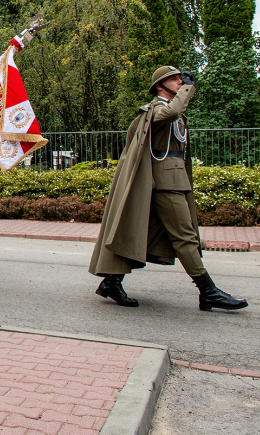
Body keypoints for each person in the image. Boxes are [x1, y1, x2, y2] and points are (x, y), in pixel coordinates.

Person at [90, 66, 248, 311]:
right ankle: (208, 291)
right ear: (159, 86)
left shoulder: (173, 111)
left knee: (141, 233)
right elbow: (172, 113)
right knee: (185, 237)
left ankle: (111, 282)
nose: (180, 82)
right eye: (174, 79)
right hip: (164, 184)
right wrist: (188, 87)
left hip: (173, 181)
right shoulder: (156, 110)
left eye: (180, 78)